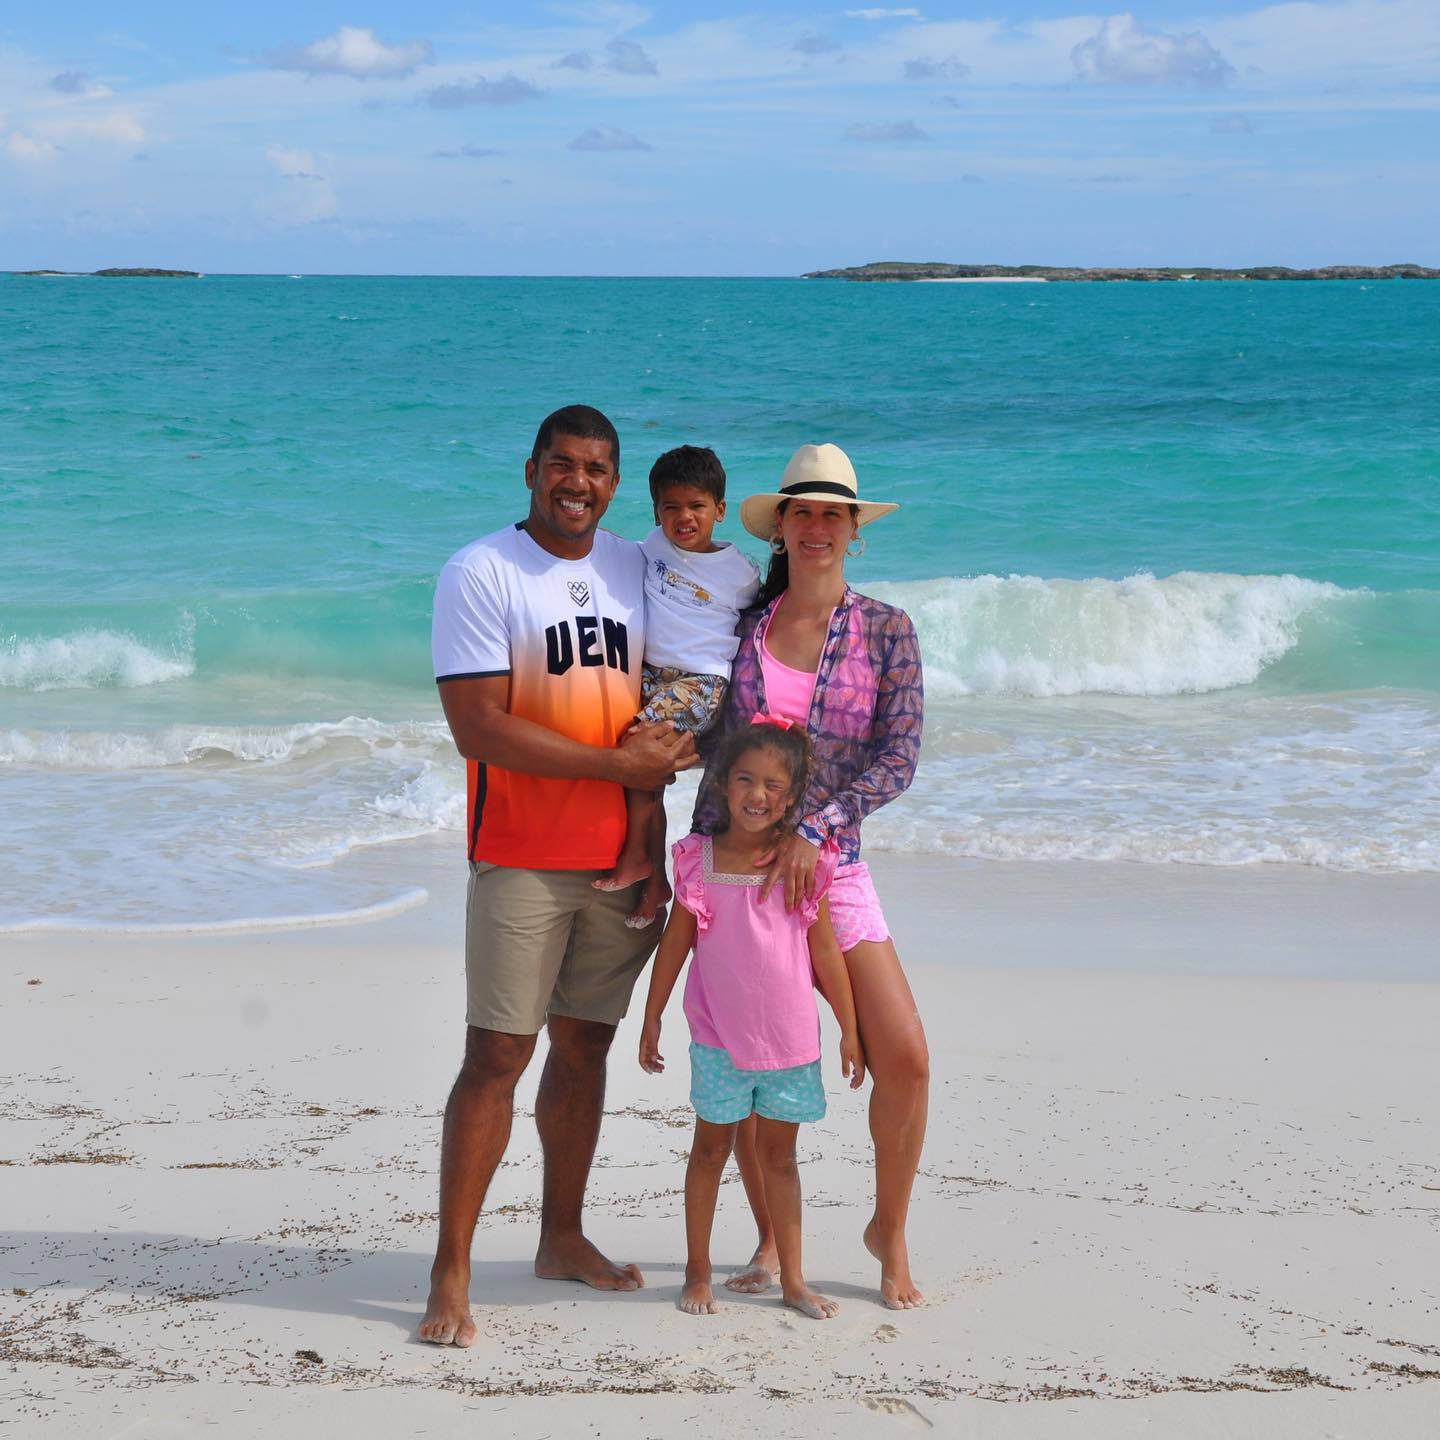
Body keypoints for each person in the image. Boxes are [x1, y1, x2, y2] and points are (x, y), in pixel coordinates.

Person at [420, 404, 697, 1348]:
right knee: (498, 1055)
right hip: (523, 859)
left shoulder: (633, 565)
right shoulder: (482, 571)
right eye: (563, 466)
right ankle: (451, 1269)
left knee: (584, 1052)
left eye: (597, 469)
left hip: (623, 864)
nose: (578, 483)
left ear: (617, 484)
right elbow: (480, 727)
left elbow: (688, 672)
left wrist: (687, 764)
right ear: (531, 469)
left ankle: (560, 1235)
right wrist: (618, 767)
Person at [693, 442, 928, 1311]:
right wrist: (692, 866)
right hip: (742, 880)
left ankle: (887, 1232)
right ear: (782, 527)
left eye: (835, 514)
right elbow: (718, 756)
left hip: (835, 872)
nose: (818, 526)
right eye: (804, 512)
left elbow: (899, 758)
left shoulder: (888, 629)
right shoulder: (745, 630)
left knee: (904, 1056)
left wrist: (817, 829)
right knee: (753, 1065)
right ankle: (766, 1236)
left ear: (854, 530)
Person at [639, 717, 865, 1319]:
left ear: (790, 798)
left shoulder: (800, 867)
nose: (756, 795)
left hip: (790, 1043)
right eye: (744, 780)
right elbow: (675, 943)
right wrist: (653, 1014)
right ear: (722, 786)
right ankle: (697, 1271)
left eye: (771, 785)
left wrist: (848, 1027)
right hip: (716, 1040)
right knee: (709, 1151)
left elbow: (825, 952)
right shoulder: (699, 862)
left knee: (781, 1160)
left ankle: (793, 1280)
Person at [594, 445, 760, 928]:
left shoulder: (740, 573)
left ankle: (637, 860)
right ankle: (654, 879)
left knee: (638, 751)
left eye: (696, 507)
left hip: (701, 680)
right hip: (650, 673)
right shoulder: (653, 545)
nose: (683, 518)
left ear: (720, 510)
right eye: (671, 508)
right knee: (646, 773)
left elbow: (760, 619)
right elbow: (613, 550)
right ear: (656, 512)